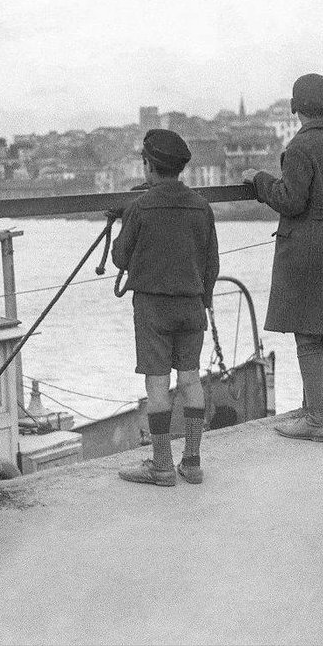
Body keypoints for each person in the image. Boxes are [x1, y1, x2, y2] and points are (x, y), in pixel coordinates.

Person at [241, 73, 323, 442]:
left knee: (307, 337)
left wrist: (260, 181)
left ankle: (315, 420)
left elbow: (291, 200)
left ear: (295, 107)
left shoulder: (299, 148)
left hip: (307, 245)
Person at [110, 129, 220, 486]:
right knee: (190, 379)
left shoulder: (139, 207)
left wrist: (121, 220)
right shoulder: (202, 207)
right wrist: (203, 299)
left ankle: (161, 466)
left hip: (153, 309)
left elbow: (120, 257)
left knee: (157, 385)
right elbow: (212, 264)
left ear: (149, 167)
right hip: (192, 305)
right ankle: (192, 462)